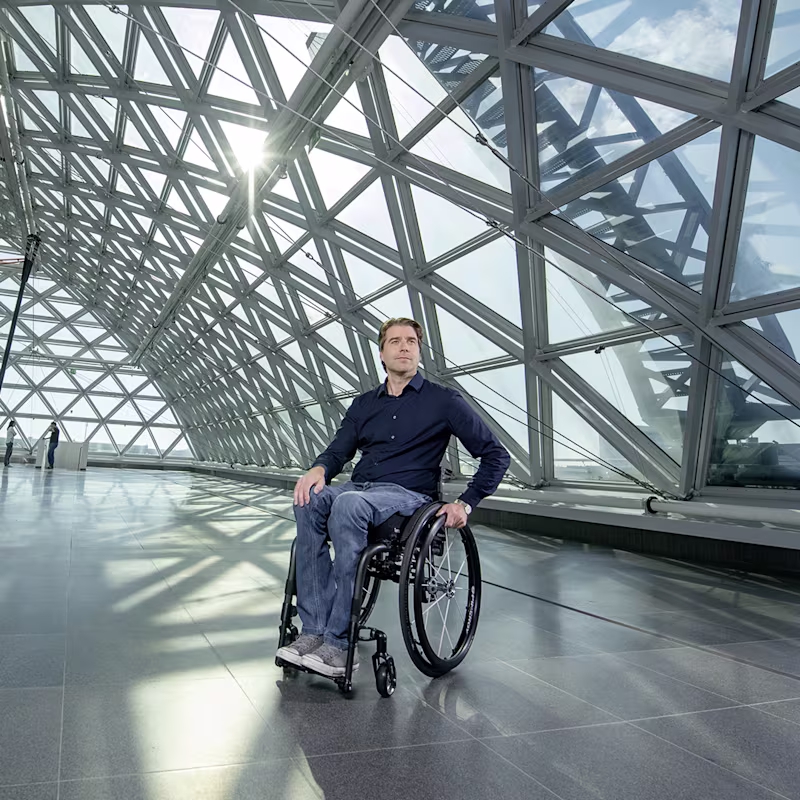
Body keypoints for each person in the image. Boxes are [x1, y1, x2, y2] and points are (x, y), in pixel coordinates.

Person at [276, 317, 511, 677]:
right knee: (308, 499)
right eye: (395, 341)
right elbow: (339, 450)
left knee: (348, 504)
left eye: (411, 342)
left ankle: (339, 642)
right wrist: (319, 469)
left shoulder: (444, 401)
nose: (404, 347)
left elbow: (496, 455)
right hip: (361, 488)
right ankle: (314, 631)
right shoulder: (364, 404)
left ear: (419, 351)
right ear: (382, 353)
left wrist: (465, 503)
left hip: (408, 495)